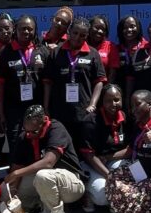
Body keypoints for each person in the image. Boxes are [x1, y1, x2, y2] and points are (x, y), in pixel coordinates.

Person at [3, 104, 85, 213]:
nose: (30, 134)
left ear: (43, 122)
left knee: (43, 175)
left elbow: (48, 162)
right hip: (46, 180)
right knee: (5, 189)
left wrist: (17, 174)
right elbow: (17, 165)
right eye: (27, 130)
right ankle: (44, 205)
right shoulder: (26, 135)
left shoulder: (56, 128)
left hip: (71, 183)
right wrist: (13, 192)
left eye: (34, 131)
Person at [42, 17, 106, 146]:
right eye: (75, 33)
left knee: (82, 146)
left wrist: (93, 105)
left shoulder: (93, 54)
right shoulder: (56, 52)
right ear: (69, 32)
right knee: (61, 145)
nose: (77, 37)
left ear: (87, 36)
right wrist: (46, 106)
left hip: (84, 111)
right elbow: (48, 82)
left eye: (82, 35)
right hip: (60, 110)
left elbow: (99, 81)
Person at [0, 14, 46, 160]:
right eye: (23, 28)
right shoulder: (5, 53)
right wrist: (1, 113)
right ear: (16, 30)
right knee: (15, 143)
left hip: (36, 106)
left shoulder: (41, 51)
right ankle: (16, 174)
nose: (26, 32)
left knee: (36, 141)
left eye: (30, 29)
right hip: (13, 109)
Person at [79, 84, 131, 211]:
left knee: (137, 172)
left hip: (111, 159)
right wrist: (110, 176)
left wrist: (107, 157)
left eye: (117, 100)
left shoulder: (125, 117)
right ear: (102, 102)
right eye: (108, 101)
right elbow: (89, 155)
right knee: (102, 196)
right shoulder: (91, 121)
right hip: (91, 163)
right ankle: (87, 195)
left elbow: (131, 149)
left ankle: (119, 198)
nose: (113, 104)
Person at [116, 16, 148, 100]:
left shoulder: (147, 47)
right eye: (125, 27)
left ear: (138, 27)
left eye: (132, 26)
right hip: (120, 96)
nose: (129, 30)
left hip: (143, 95)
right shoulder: (115, 49)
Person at [88, 15, 119, 83]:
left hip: (103, 88)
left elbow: (112, 74)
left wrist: (107, 90)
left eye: (103, 29)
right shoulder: (82, 44)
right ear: (89, 28)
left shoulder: (111, 46)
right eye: (97, 27)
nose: (100, 31)